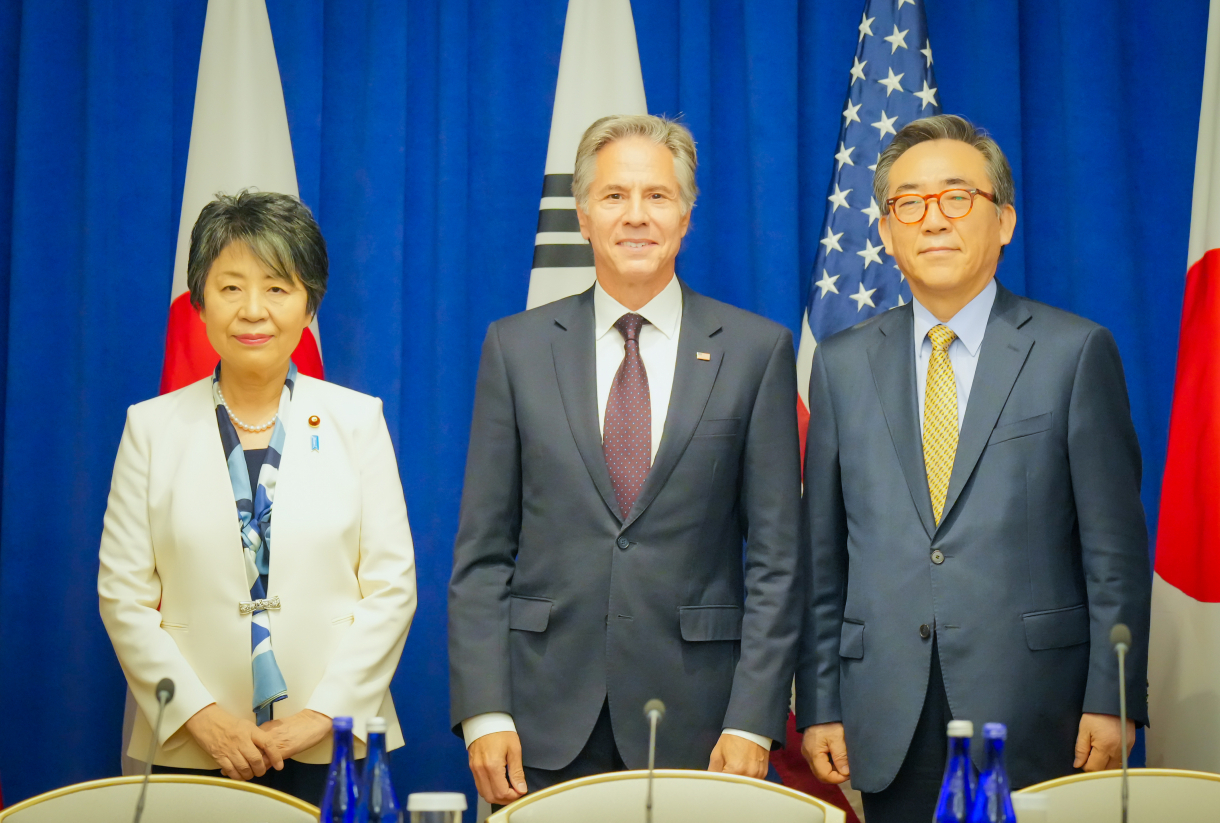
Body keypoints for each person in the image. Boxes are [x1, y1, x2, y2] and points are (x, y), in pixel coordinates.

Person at [796, 115, 1151, 822]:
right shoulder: (839, 366)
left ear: (1005, 220)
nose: (933, 221)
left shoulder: (1074, 353)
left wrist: (1112, 697)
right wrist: (821, 701)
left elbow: (1113, 551)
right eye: (909, 203)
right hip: (887, 708)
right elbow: (822, 557)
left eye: (957, 197)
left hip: (1038, 707)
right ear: (887, 232)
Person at [449, 114, 802, 806]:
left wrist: (754, 720)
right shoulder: (515, 349)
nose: (636, 216)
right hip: (541, 722)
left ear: (687, 214)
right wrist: (485, 711)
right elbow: (483, 554)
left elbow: (776, 560)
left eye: (657, 196)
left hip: (703, 725)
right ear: (582, 214)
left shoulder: (757, 352)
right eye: (614, 196)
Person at [98, 190, 417, 802]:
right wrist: (202, 717)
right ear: (199, 300)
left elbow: (392, 587)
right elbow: (123, 596)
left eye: (277, 287)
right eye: (230, 287)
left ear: (308, 303)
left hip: (332, 742)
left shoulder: (357, 421)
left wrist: (321, 716)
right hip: (190, 743)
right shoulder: (150, 427)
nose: (253, 311)